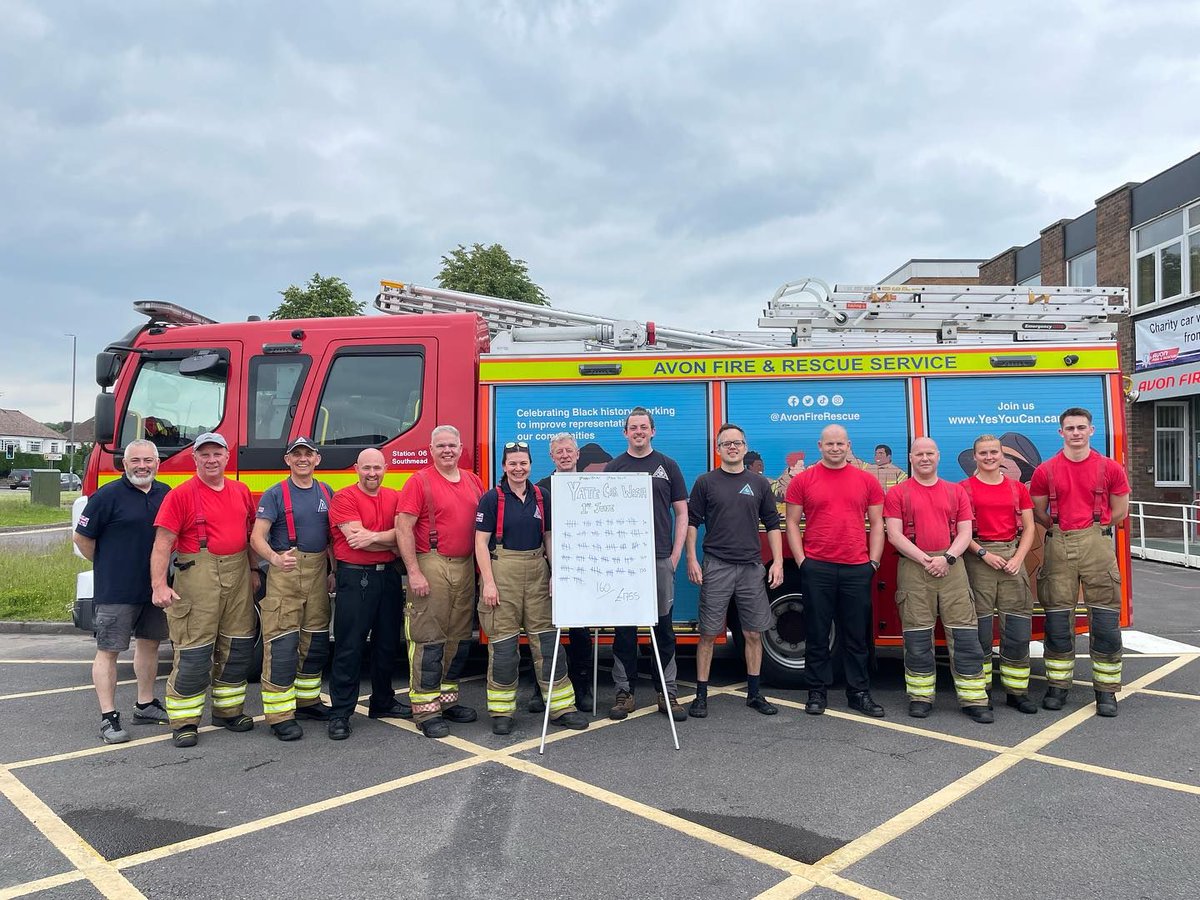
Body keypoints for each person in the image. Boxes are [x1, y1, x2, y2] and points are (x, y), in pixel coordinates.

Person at [150, 432, 260, 748]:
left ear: (227, 457)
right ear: (195, 459)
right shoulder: (181, 495)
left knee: (238, 646)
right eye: (205, 455)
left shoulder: (240, 491)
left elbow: (249, 534)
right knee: (195, 652)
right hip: (197, 576)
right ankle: (184, 722)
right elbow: (162, 544)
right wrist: (159, 584)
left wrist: (253, 570)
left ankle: (228, 712)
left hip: (238, 573)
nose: (211, 460)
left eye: (217, 454)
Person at [475, 441, 589, 735]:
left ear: (530, 465)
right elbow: (479, 543)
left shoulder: (542, 496)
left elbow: (549, 536)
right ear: (504, 467)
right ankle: (502, 710)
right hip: (503, 572)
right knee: (503, 647)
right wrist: (488, 581)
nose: (518, 468)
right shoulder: (492, 498)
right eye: (512, 463)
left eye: (523, 463)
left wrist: (556, 572)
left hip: (538, 570)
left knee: (548, 643)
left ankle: (562, 707)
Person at [1030, 407, 1130, 717]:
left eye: (1081, 427)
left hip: (1097, 544)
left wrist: (1092, 529)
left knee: (1105, 623)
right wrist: (1063, 530)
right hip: (1058, 544)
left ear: (1091, 431)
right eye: (1070, 428)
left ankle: (1106, 692)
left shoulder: (1110, 468)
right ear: (1061, 433)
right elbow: (1038, 512)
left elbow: (1120, 512)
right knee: (1058, 622)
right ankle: (1058, 688)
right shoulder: (1045, 471)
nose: (1076, 432)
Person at [883, 437, 991, 723]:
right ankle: (920, 696)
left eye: (930, 453)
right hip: (914, 568)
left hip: (952, 567)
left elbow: (966, 533)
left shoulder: (956, 492)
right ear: (910, 457)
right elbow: (894, 534)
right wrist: (926, 559)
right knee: (917, 636)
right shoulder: (897, 493)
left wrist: (948, 558)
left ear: (938, 456)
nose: (925, 458)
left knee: (965, 634)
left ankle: (974, 698)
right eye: (919, 454)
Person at [785, 424, 887, 718]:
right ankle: (816, 692)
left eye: (840, 444)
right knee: (816, 634)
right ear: (820, 446)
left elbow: (878, 523)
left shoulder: (866, 481)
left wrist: (874, 562)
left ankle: (859, 693)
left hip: (857, 567)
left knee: (856, 636)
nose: (835, 448)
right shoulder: (803, 481)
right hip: (818, 566)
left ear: (848, 445)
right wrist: (803, 561)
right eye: (829, 444)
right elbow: (792, 522)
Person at [73, 439, 171, 744]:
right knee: (110, 651)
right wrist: (107, 565)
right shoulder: (106, 496)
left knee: (150, 645)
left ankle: (144, 704)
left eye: (148, 460)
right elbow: (82, 538)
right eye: (135, 461)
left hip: (154, 587)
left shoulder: (165, 494)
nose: (142, 466)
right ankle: (109, 717)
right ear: (124, 464)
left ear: (158, 463)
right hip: (116, 590)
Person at [686, 424, 783, 719]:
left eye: (737, 443)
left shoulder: (759, 483)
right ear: (718, 449)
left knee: (753, 632)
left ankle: (754, 694)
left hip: (752, 567)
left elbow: (773, 524)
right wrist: (691, 558)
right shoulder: (705, 482)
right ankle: (701, 696)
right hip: (716, 565)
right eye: (726, 443)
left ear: (744, 446)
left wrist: (777, 561)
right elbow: (692, 522)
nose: (732, 447)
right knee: (707, 633)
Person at [396, 425, 482, 739]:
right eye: (441, 446)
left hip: (465, 565)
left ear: (461, 448)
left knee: (458, 639)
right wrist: (414, 572)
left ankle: (446, 700)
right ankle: (425, 709)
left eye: (452, 445)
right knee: (428, 638)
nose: (447, 450)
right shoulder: (418, 482)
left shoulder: (473, 481)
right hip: (432, 562)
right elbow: (403, 528)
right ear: (431, 450)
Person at [249, 437, 336, 741]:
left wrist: (333, 570)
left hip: (317, 572)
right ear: (287, 460)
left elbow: (332, 538)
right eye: (296, 454)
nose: (302, 459)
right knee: (283, 643)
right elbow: (257, 537)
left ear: (317, 459)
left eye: (307, 454)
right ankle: (280, 715)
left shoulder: (326, 491)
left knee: (315, 641)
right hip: (286, 570)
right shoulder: (275, 494)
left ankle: (307, 701)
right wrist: (273, 558)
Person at [606, 407, 688, 722]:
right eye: (633, 427)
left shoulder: (668, 466)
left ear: (653, 431)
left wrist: (675, 554)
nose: (638, 432)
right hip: (625, 563)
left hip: (659, 559)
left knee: (663, 628)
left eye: (644, 427)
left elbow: (682, 512)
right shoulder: (614, 468)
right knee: (624, 629)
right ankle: (624, 693)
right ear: (625, 433)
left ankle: (666, 692)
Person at [326, 449, 405, 740]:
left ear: (386, 468)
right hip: (355, 577)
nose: (372, 473)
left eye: (377, 468)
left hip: (389, 577)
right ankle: (340, 713)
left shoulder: (395, 497)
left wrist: (373, 536)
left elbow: (404, 534)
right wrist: (390, 539)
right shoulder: (344, 498)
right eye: (367, 468)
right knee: (350, 646)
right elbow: (355, 541)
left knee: (387, 644)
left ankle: (382, 701)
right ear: (356, 468)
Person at [960, 434, 1038, 715]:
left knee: (1017, 629)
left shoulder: (1018, 489)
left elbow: (1029, 528)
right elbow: (961, 532)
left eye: (994, 452)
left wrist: (1018, 558)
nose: (989, 457)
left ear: (1002, 456)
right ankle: (982, 692)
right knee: (980, 631)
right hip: (979, 558)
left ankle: (1017, 692)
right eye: (983, 453)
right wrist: (984, 554)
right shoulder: (964, 489)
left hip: (1012, 557)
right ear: (975, 457)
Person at [530, 432, 595, 712]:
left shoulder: (593, 486)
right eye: (559, 452)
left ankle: (583, 688)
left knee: (580, 632)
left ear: (578, 454)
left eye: (570, 450)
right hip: (550, 569)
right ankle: (541, 688)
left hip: (583, 568)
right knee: (547, 631)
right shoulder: (541, 490)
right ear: (552, 457)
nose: (565, 455)